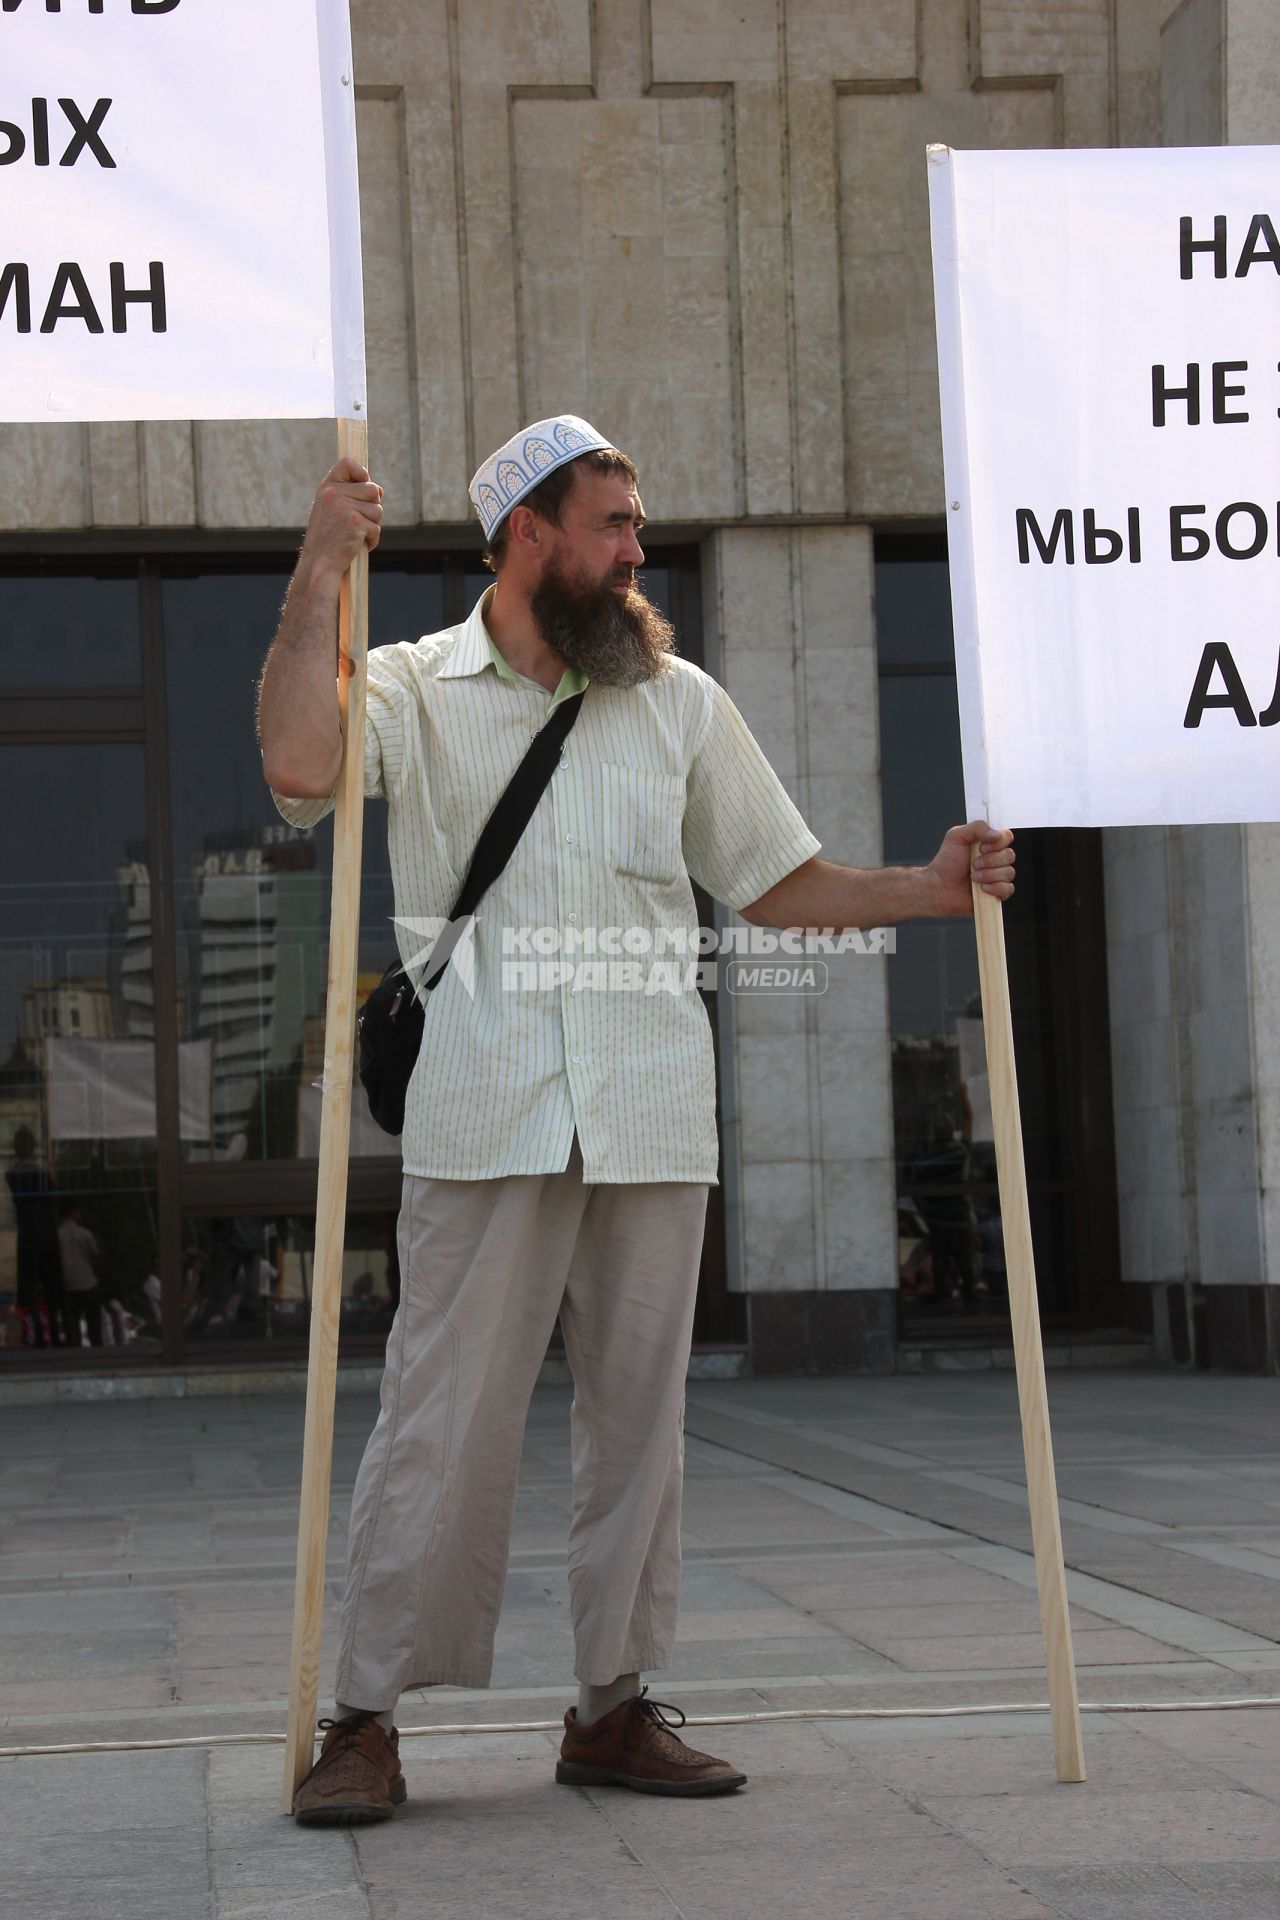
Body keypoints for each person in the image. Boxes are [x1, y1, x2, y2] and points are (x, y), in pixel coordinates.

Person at [257, 416, 1016, 1824]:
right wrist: (317, 571)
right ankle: (361, 1716)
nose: (636, 550)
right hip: (484, 1119)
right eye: (611, 525)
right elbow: (302, 768)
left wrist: (927, 886)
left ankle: (612, 1708)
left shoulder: (678, 702)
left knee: (638, 1434)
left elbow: (774, 880)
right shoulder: (418, 690)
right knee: (439, 1421)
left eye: (637, 523)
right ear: (528, 537)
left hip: (653, 1118)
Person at [6, 1128, 68, 1349]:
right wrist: (52, 1176)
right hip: (44, 1235)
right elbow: (51, 1199)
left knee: (31, 1287)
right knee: (50, 1286)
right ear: (33, 1147)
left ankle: (39, 1335)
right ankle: (55, 1333)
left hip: (27, 1236)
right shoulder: (41, 1174)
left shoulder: (11, 1175)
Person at [57, 1204, 106, 1348]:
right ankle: (96, 1348)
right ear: (74, 1212)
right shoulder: (85, 1233)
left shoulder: (57, 1234)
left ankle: (74, 1348)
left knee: (72, 1323)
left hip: (68, 1284)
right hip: (88, 1282)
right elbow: (95, 1256)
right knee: (94, 1323)